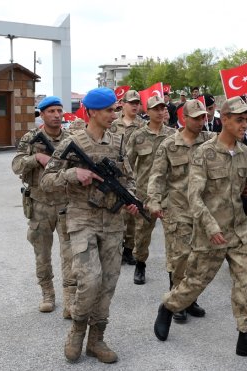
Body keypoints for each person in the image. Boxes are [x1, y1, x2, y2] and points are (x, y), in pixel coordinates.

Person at [153, 96, 247, 362]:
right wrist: (209, 226)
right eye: (239, 119)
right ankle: (168, 307)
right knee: (194, 283)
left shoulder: (245, 154)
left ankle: (246, 338)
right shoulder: (203, 153)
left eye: (246, 119)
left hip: (239, 232)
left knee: (246, 284)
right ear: (225, 119)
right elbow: (193, 197)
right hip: (211, 233)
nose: (245, 124)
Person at [40, 87, 139, 363]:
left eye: (115, 109)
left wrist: (132, 200)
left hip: (113, 221)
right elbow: (46, 181)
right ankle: (77, 330)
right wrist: (73, 173)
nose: (113, 114)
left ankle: (96, 339)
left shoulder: (118, 142)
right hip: (82, 218)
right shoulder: (73, 142)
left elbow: (129, 179)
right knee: (90, 279)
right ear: (93, 112)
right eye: (109, 110)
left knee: (108, 283)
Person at [146, 99, 215, 323]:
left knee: (198, 258)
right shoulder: (169, 145)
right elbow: (156, 176)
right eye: (195, 117)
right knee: (181, 257)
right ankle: (176, 301)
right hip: (177, 208)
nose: (200, 121)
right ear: (184, 118)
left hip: (203, 210)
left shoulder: (211, 141)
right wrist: (154, 201)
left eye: (203, 117)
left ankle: (189, 298)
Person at [12, 96, 74, 317]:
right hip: (39, 204)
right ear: (42, 114)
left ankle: (70, 299)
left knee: (71, 255)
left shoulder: (71, 138)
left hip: (67, 204)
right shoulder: (31, 138)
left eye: (59, 111)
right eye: (51, 111)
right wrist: (37, 157)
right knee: (42, 254)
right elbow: (17, 166)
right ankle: (48, 294)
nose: (57, 115)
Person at [126, 95, 177, 285]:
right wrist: (130, 191)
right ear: (147, 112)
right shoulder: (138, 136)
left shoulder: (173, 135)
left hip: (168, 194)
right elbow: (128, 165)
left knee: (173, 235)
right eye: (156, 108)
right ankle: (140, 264)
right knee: (142, 233)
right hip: (144, 194)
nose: (160, 111)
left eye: (163, 108)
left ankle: (174, 275)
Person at [110, 90, 147, 266]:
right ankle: (115, 248)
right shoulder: (112, 124)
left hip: (137, 175)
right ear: (122, 103)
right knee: (117, 213)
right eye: (131, 102)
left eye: (137, 103)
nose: (134, 105)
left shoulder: (143, 126)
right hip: (116, 174)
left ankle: (128, 250)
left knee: (133, 214)